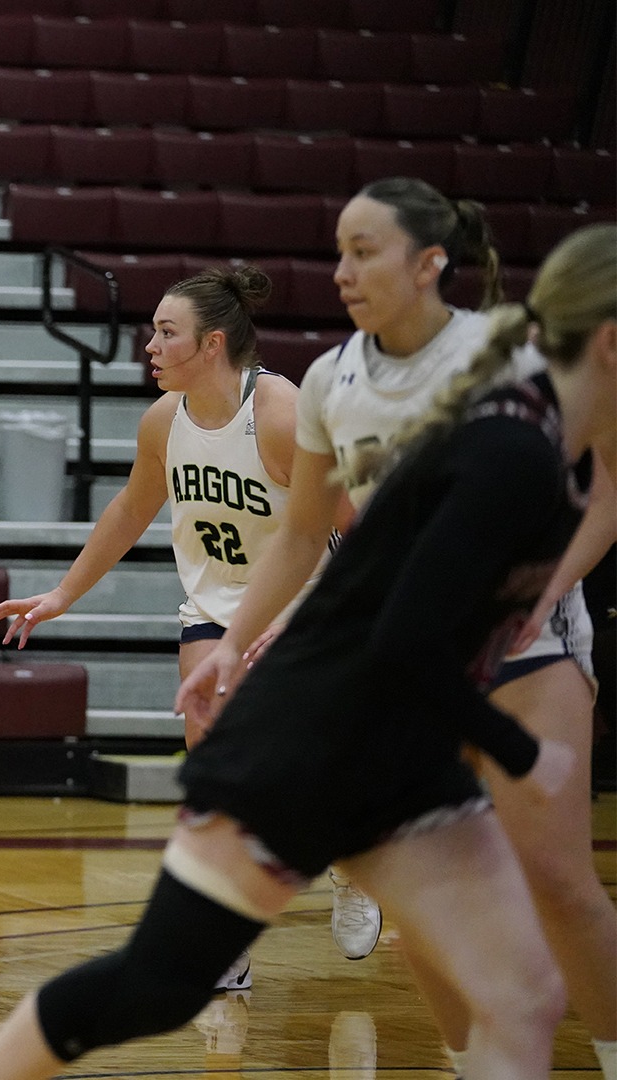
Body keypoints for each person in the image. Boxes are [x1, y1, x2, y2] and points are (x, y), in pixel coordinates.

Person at [0, 222, 615, 1080]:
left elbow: (346, 559)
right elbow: (371, 590)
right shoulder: (500, 446)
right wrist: (521, 749)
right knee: (156, 986)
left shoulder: (423, 425)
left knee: (526, 991)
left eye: (166, 330)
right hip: (309, 698)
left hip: (354, 702)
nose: (149, 344)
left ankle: (350, 880)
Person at [178, 182, 617, 1078]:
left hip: (529, 642)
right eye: (337, 251)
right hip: (415, 653)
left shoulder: (513, 357)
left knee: (559, 878)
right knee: (428, 903)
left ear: (430, 264)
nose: (342, 272)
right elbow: (304, 533)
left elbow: (608, 487)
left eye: (364, 251)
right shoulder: (334, 378)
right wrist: (234, 639)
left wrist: (548, 588)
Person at [0, 264, 303, 992]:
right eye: (152, 330)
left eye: (166, 332)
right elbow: (132, 509)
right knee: (213, 766)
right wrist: (65, 592)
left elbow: (346, 528)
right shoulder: (164, 420)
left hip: (300, 608)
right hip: (213, 607)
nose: (148, 344)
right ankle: (229, 939)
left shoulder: (280, 413)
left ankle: (354, 863)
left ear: (213, 343)